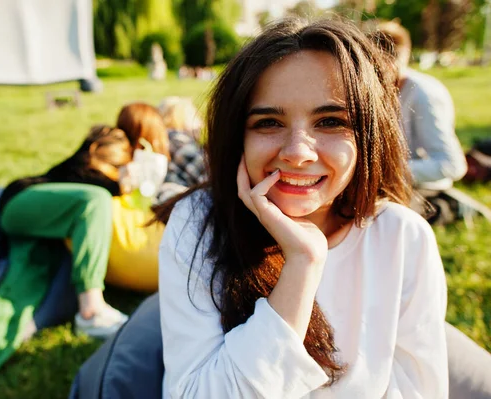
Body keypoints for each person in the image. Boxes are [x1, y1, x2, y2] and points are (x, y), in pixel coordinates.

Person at [157, 18, 448, 398]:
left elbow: (418, 390)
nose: (297, 152)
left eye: (330, 121)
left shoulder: (403, 237)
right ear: (236, 136)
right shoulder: (197, 223)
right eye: (268, 122)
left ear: (369, 135)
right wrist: (303, 265)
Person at [0, 125, 134, 399]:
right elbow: (89, 185)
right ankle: (91, 308)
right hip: (21, 204)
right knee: (96, 199)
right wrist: (123, 184)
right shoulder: (81, 168)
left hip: (48, 235)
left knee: (17, 295)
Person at [375, 20, 468, 224]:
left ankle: (454, 207)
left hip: (421, 186)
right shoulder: (378, 90)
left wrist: (389, 172)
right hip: (387, 182)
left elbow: (452, 165)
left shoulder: (424, 94)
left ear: (398, 60)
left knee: (386, 219)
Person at [157, 97, 207, 190]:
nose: (201, 124)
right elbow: (209, 179)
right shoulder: (181, 144)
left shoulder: (161, 141)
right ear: (179, 117)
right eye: (195, 117)